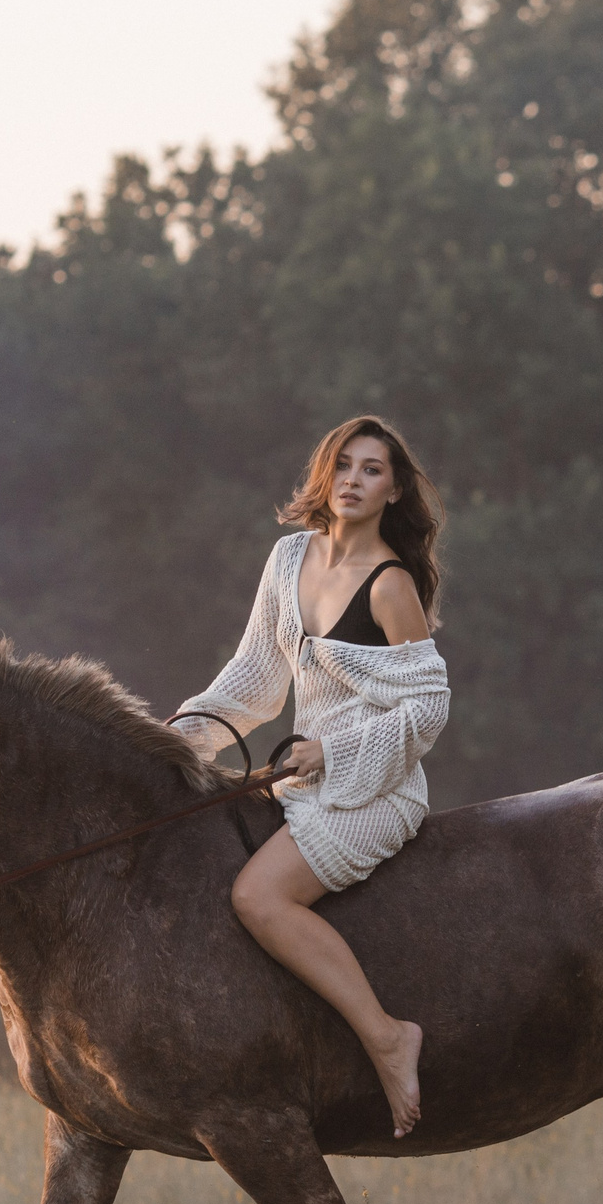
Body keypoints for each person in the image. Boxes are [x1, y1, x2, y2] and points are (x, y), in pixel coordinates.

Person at [174, 417, 450, 1137]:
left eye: (372, 470)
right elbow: (254, 680)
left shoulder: (391, 586)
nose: (354, 481)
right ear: (325, 478)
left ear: (393, 490)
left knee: (258, 897)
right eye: (344, 466)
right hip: (302, 783)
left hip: (376, 788)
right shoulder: (288, 558)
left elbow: (429, 706)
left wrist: (333, 752)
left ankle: (389, 1036)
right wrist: (174, 743)